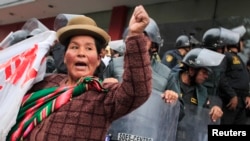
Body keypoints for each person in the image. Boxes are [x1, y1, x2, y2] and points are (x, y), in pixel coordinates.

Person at [7, 5, 179, 141]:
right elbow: (10, 92)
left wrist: (134, 36)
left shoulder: (102, 95)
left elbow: (137, 90)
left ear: (98, 58)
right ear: (65, 56)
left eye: (89, 48)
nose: (81, 53)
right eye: (74, 47)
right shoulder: (44, 83)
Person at [161, 47, 225, 140]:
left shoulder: (202, 91)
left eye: (207, 73)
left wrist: (214, 109)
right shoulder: (169, 79)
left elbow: (205, 113)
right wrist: (166, 93)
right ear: (191, 70)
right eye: (204, 72)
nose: (206, 76)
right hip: (165, 133)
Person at [103, 17, 171, 92]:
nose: (138, 41)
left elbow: (177, 102)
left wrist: (171, 96)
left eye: (144, 37)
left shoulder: (166, 73)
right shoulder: (114, 64)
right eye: (135, 37)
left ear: (153, 45)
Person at [218, 27, 250, 124]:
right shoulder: (226, 56)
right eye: (241, 41)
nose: (243, 44)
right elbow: (221, 77)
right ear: (236, 42)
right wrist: (232, 95)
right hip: (230, 101)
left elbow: (244, 79)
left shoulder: (240, 59)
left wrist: (248, 95)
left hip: (242, 102)